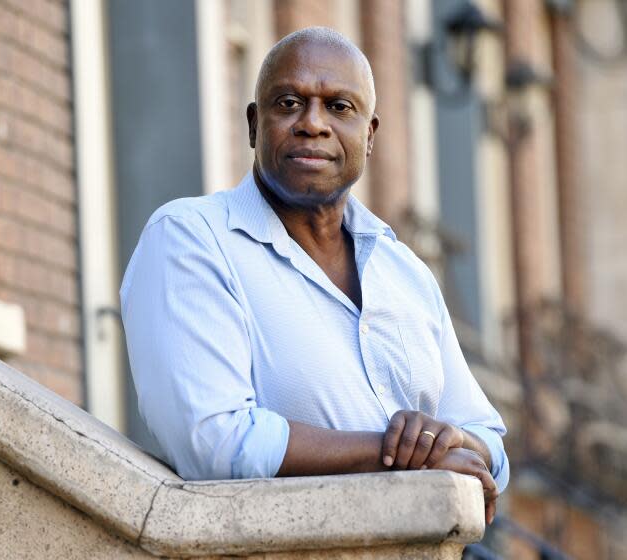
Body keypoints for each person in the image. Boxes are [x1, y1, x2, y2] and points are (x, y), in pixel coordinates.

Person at [120, 27, 508, 525]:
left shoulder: (405, 272)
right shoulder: (191, 239)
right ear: (254, 126)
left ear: (369, 136)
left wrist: (450, 441)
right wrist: (403, 456)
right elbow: (216, 443)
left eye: (339, 107)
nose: (313, 124)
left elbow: (491, 444)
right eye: (288, 103)